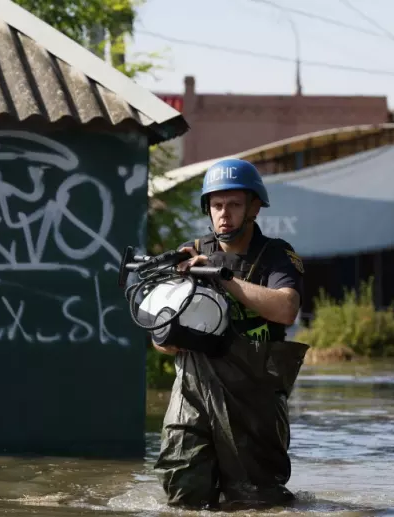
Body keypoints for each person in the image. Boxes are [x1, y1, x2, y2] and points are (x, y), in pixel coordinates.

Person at [151, 158, 309, 510]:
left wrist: (221, 276)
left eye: (234, 205)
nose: (224, 214)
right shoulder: (190, 254)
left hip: (253, 397)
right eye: (217, 205)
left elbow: (285, 308)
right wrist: (166, 337)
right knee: (182, 490)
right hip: (192, 390)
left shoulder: (277, 256)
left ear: (254, 207)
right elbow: (160, 339)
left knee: (254, 500)